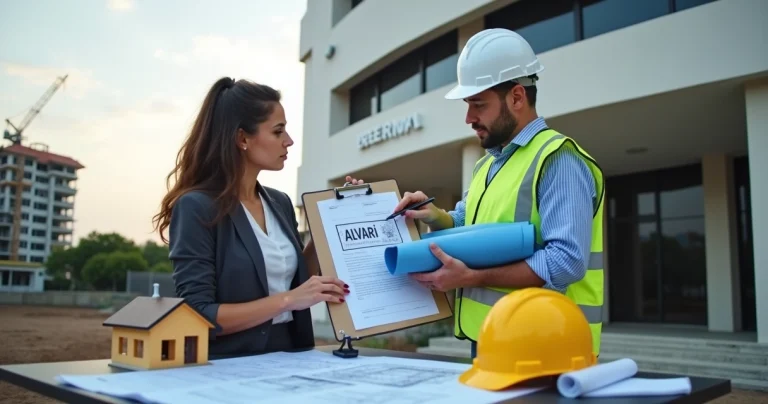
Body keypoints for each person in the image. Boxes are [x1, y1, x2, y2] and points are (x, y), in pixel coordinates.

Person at [350, 28, 605, 358]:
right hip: (494, 339)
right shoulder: (487, 165)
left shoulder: (557, 160)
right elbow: (466, 222)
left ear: (516, 97)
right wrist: (435, 216)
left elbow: (566, 261)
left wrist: (472, 277)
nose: (469, 118)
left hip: (547, 343)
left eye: (478, 105)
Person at [152, 77, 359, 359]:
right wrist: (288, 301)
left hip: (292, 357)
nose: (289, 140)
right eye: (278, 131)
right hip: (230, 368)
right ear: (242, 139)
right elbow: (198, 313)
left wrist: (332, 219)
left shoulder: (279, 202)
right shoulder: (196, 207)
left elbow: (297, 280)